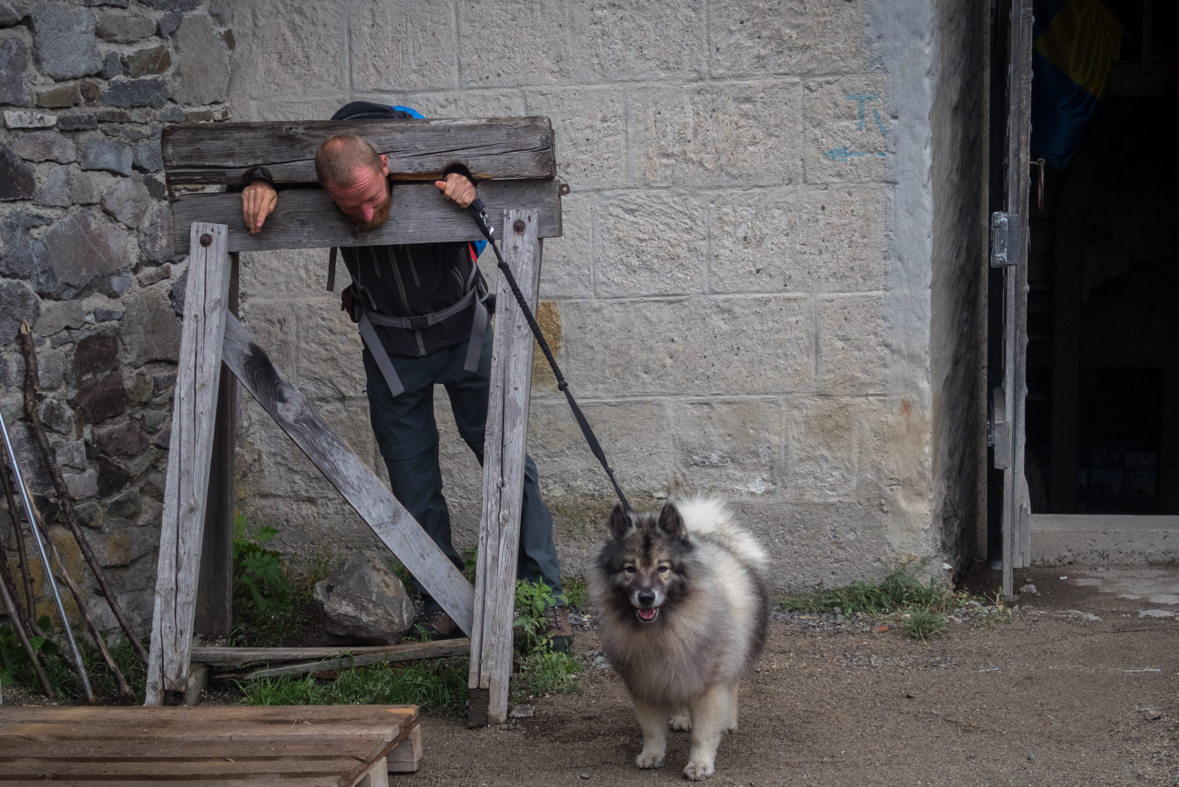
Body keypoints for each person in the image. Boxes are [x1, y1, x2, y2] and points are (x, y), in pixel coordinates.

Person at [240, 103, 572, 650]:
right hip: (391, 349)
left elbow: (480, 175)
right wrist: (256, 178)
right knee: (411, 475)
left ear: (390, 164)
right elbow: (267, 170)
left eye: (373, 199)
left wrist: (469, 182)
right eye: (350, 209)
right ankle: (440, 597)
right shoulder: (334, 189)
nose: (367, 217)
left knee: (508, 462)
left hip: (465, 334)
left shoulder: (417, 143)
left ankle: (545, 597)